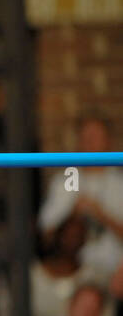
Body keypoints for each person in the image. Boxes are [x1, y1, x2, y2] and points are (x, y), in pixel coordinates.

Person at [38, 116, 123, 281]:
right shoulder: (67, 179)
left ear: (109, 141)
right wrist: (73, 213)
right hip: (71, 277)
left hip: (116, 276)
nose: (90, 142)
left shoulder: (119, 183)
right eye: (86, 137)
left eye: (96, 137)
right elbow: (46, 234)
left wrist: (101, 214)